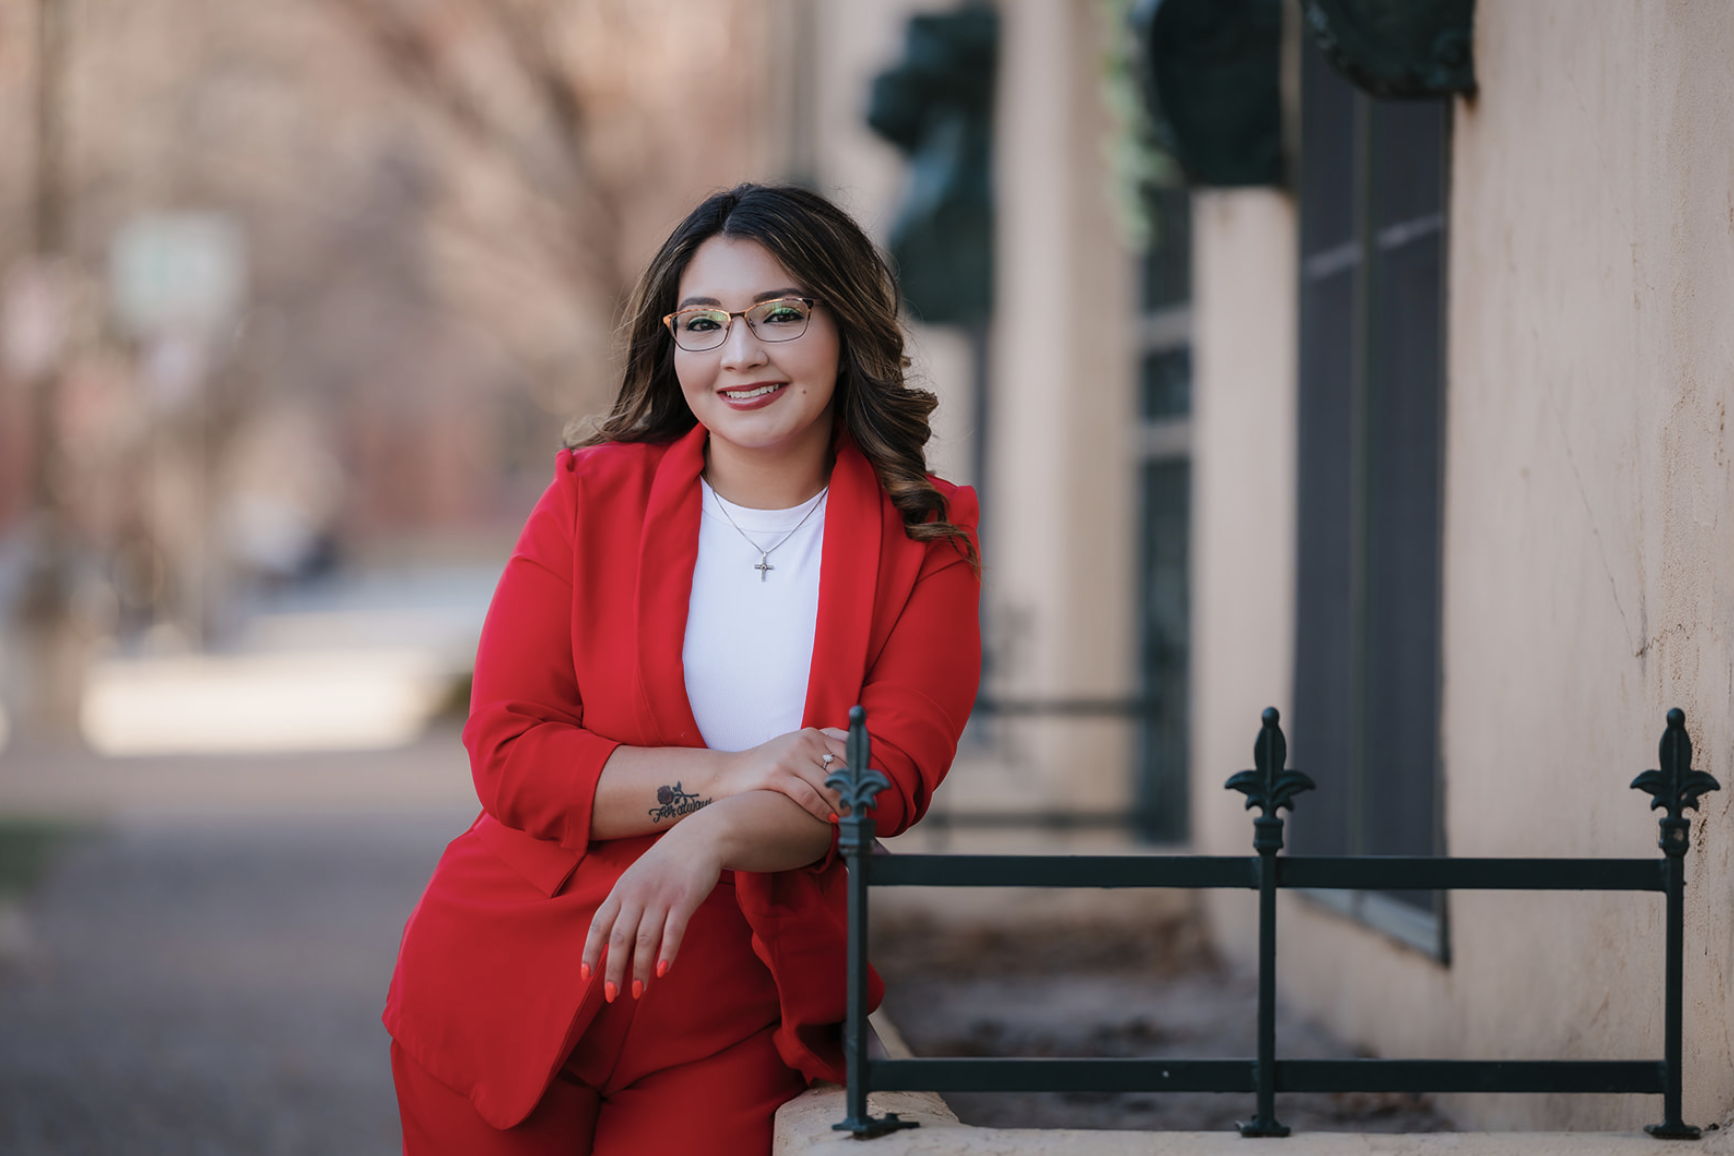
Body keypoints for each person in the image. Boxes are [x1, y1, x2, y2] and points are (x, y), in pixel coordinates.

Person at [383, 183, 982, 1155]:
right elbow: (509, 749)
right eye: (701, 323)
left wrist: (705, 842)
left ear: (847, 324)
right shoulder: (593, 496)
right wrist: (721, 777)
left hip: (734, 1011)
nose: (738, 353)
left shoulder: (927, 539)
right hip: (507, 975)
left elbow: (885, 778)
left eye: (778, 314)